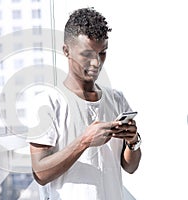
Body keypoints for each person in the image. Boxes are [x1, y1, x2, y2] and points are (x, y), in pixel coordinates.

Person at [27, 7, 142, 200]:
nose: (96, 63)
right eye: (87, 54)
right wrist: (84, 141)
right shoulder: (47, 101)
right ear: (66, 51)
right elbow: (40, 173)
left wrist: (133, 142)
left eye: (102, 53)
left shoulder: (117, 99)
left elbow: (130, 167)